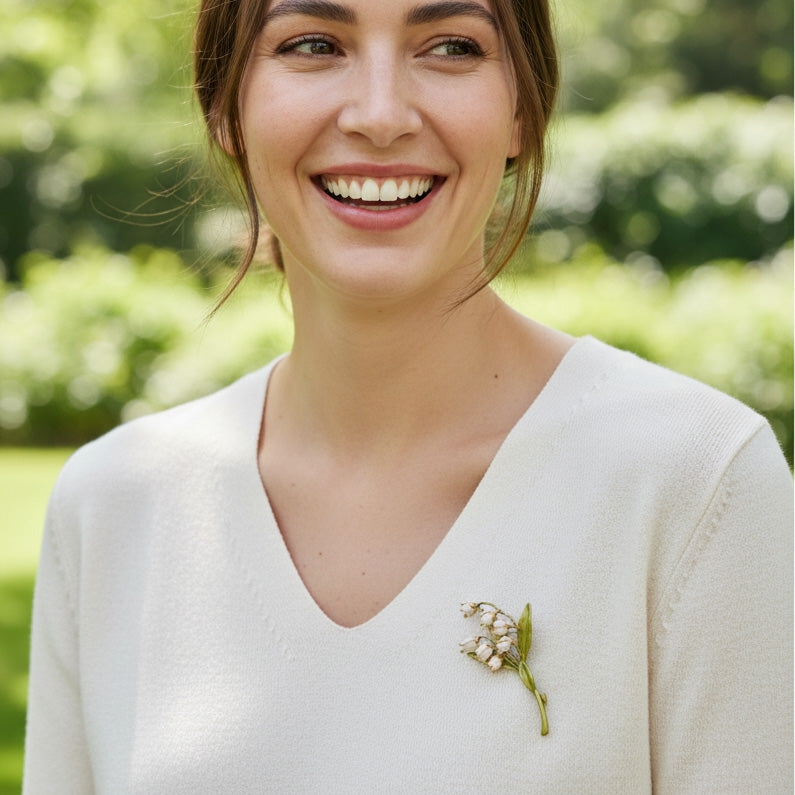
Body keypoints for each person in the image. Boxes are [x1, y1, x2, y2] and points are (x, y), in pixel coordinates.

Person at [23, 0, 792, 791]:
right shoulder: (113, 506)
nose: (381, 115)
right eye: (314, 44)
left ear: (524, 107)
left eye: (452, 46)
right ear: (224, 105)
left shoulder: (695, 486)